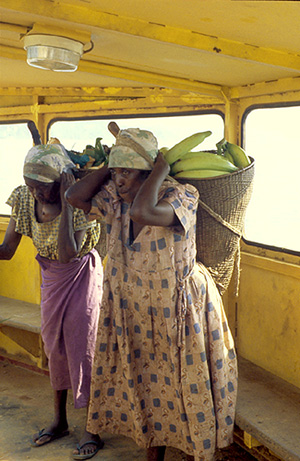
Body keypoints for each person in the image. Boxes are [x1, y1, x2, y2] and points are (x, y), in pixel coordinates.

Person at [66, 127, 238, 461]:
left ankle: (197, 453)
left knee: (184, 386)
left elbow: (144, 213)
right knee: (145, 385)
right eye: (116, 172)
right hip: (133, 309)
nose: (118, 179)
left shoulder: (181, 195)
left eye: (127, 171)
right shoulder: (113, 199)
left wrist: (157, 173)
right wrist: (111, 163)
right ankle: (152, 455)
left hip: (177, 310)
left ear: (149, 172)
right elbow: (74, 197)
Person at [0, 144, 104, 452]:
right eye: (31, 187)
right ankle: (60, 421)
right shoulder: (23, 197)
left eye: (42, 189)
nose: (35, 194)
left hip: (80, 277)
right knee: (54, 348)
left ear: (61, 182)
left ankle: (91, 429)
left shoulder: (82, 202)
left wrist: (67, 203)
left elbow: (68, 253)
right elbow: (7, 251)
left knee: (82, 348)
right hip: (51, 280)